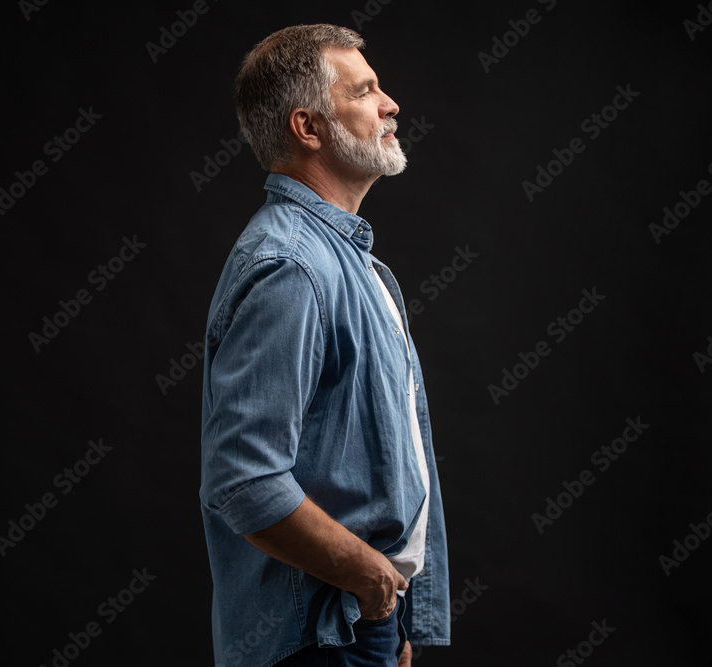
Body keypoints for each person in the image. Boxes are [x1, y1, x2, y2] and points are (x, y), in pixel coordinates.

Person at [200, 24, 450, 667]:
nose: (390, 104)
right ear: (308, 128)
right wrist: (371, 581)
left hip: (358, 625)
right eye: (364, 91)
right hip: (323, 632)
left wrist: (393, 613)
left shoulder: (346, 260)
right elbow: (245, 478)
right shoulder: (291, 267)